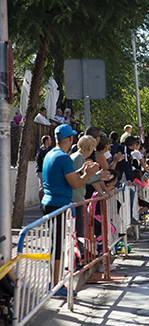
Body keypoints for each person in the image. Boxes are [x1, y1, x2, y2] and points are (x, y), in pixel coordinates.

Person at [42, 124, 100, 297]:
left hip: (50, 202)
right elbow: (75, 184)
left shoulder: (50, 154)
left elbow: (65, 176)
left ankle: (55, 282)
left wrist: (80, 172)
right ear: (70, 139)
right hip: (59, 204)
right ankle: (56, 284)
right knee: (58, 247)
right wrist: (88, 174)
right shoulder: (63, 157)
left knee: (57, 245)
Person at [36, 135, 52, 202]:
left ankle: (42, 203)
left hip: (40, 170)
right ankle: (42, 203)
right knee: (42, 188)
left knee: (43, 187)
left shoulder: (41, 149)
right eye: (50, 140)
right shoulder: (44, 150)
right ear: (46, 141)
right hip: (42, 171)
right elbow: (44, 160)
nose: (51, 141)